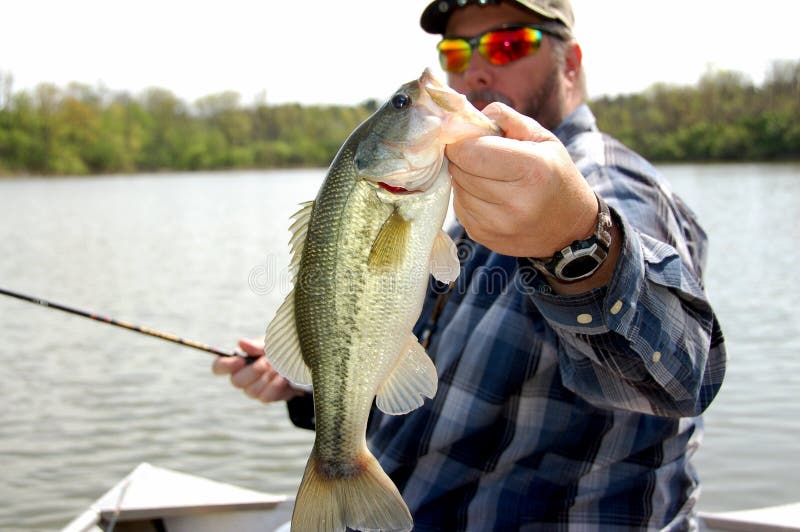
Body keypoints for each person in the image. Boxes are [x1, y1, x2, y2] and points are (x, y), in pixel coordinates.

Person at [213, 0, 727, 529]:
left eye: (509, 44)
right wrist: (317, 382)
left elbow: (682, 379)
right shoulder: (464, 199)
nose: (475, 69)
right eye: (457, 49)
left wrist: (576, 240)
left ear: (569, 63)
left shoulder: (608, 190)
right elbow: (400, 365)